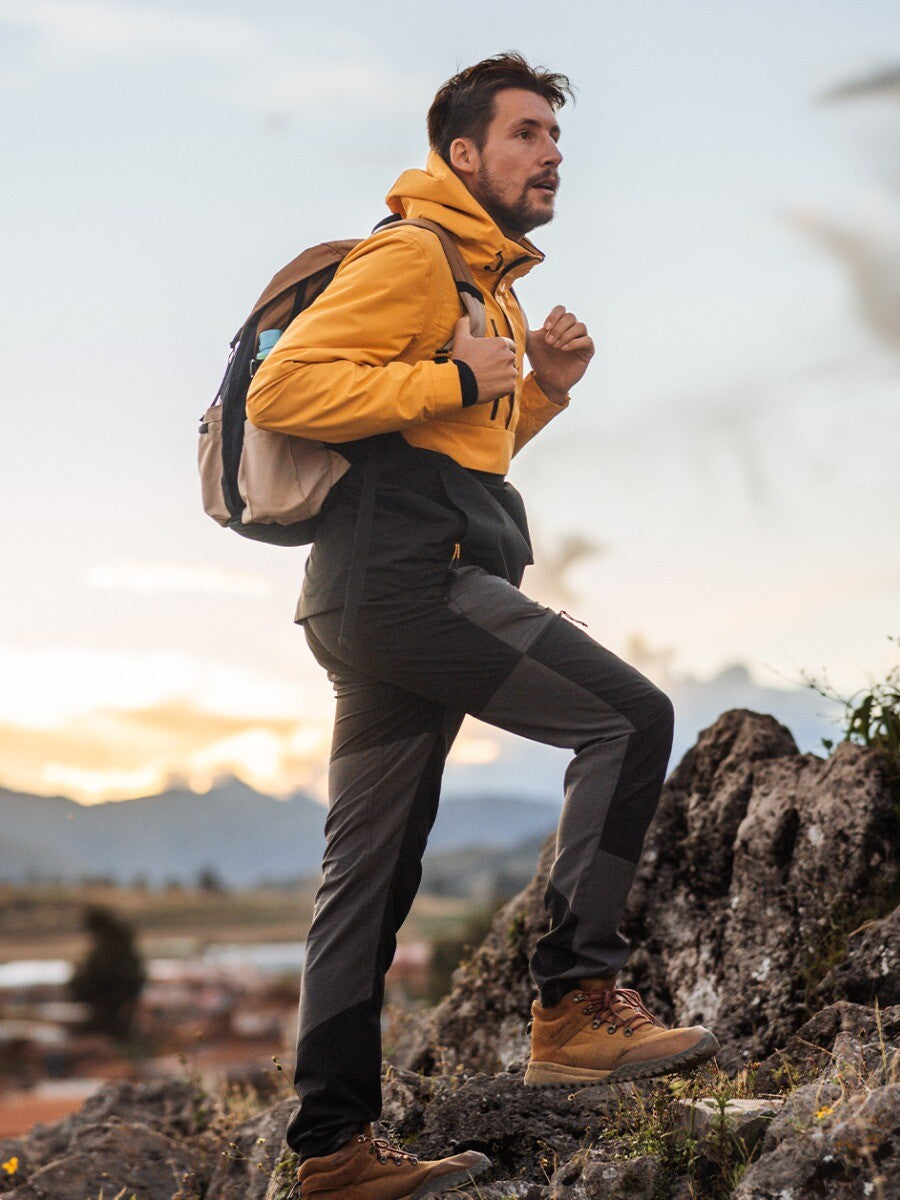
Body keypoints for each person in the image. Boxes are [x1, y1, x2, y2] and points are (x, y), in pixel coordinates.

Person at [246, 51, 718, 1200]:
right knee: (628, 717)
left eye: (554, 136)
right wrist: (459, 383)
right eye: (525, 134)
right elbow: (284, 391)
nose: (550, 152)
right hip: (408, 583)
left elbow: (464, 457)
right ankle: (572, 1008)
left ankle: (334, 1156)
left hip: (372, 593)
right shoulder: (416, 255)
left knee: (365, 879)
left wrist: (537, 388)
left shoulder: (486, 285)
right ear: (464, 154)